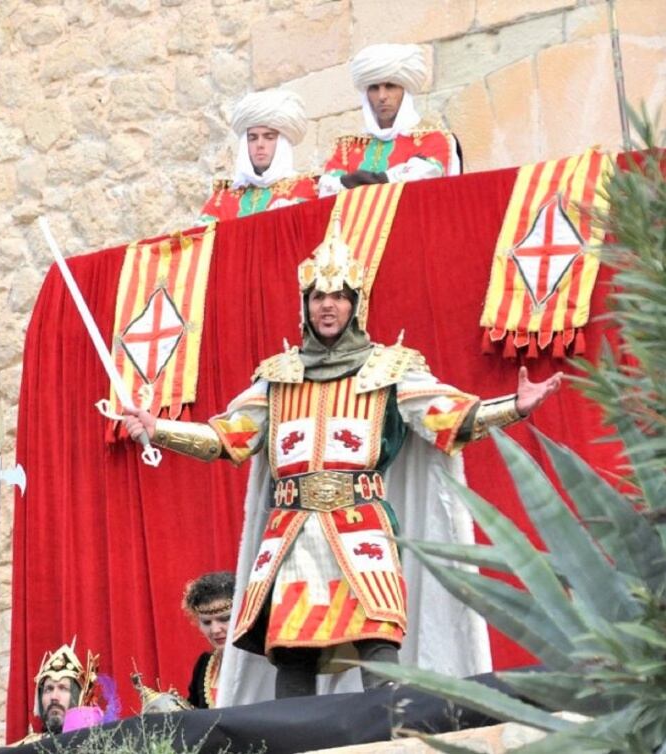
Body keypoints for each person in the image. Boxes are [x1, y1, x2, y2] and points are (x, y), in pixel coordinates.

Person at [123, 227, 561, 699]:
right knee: (292, 648)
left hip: (362, 526)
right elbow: (226, 436)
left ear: (355, 304)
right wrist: (159, 429)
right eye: (317, 297)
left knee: (377, 639)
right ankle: (293, 747)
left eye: (337, 296)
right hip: (292, 531)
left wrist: (513, 407)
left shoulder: (389, 368)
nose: (326, 306)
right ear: (304, 305)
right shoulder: (278, 377)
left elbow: (450, 417)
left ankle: (392, 742)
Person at [317, 43, 461, 197]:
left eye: (390, 86)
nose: (382, 96)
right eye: (374, 88)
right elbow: (326, 188)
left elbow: (424, 174)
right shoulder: (347, 148)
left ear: (405, 92)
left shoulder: (433, 138)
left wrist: (360, 181)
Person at [199, 89, 318, 223]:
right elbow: (198, 237)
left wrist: (293, 213)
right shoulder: (223, 198)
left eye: (269, 137)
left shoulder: (306, 187)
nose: (260, 144)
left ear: (282, 143)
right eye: (253, 138)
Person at [0, 642, 97, 749]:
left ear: (80, 696)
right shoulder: (27, 747)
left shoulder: (96, 740)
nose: (54, 696)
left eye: (63, 688)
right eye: (48, 689)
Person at [183, 571, 234, 709]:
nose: (215, 630)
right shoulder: (204, 665)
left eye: (224, 619)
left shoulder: (261, 663)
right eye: (206, 622)